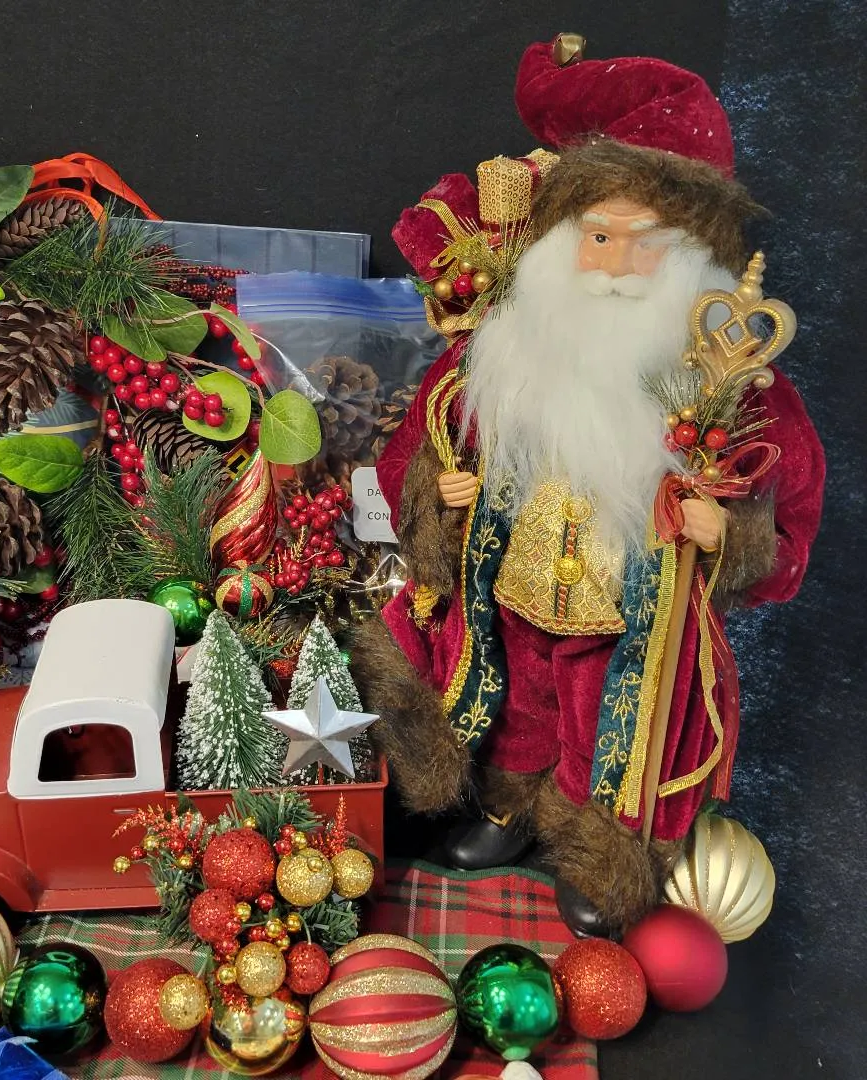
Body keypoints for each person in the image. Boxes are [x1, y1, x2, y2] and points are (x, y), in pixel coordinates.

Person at [353, 35, 825, 936]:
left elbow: (788, 507)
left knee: (604, 728)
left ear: (694, 255)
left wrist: (732, 536)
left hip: (627, 617)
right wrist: (438, 492)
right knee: (515, 712)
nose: (611, 268)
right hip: (511, 592)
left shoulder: (729, 378)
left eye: (643, 246)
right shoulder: (506, 349)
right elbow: (425, 437)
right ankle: (504, 811)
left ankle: (595, 845)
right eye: (598, 238)